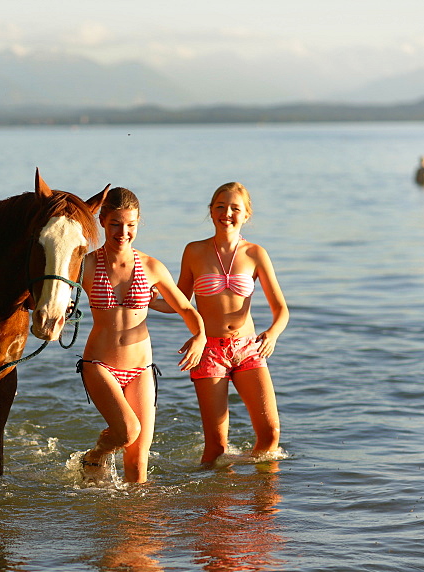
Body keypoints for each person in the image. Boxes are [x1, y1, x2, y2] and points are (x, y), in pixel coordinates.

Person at [77, 187, 206, 484]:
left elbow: (186, 308)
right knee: (127, 431)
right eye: (115, 224)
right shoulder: (85, 264)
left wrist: (199, 336)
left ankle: (136, 525)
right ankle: (95, 455)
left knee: (137, 461)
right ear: (102, 221)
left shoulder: (151, 266)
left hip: (141, 369)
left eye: (131, 225)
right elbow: (49, 292)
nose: (123, 232)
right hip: (99, 364)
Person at [160, 182, 288, 464]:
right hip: (209, 352)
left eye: (234, 208)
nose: (226, 213)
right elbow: (179, 301)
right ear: (210, 211)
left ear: (246, 215)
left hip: (249, 349)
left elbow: (281, 309)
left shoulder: (256, 254)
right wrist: (136, 301)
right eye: (220, 206)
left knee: (270, 434)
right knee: (216, 446)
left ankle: (264, 500)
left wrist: (273, 334)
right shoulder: (194, 251)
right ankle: (216, 505)